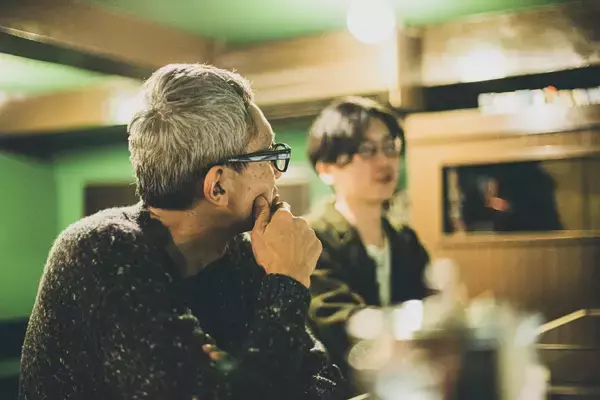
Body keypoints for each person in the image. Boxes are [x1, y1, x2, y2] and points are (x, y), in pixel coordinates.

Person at [19, 64, 346, 400]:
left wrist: (239, 374)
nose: (277, 173)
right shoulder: (99, 252)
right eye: (268, 155)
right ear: (218, 186)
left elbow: (323, 383)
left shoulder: (242, 253)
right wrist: (288, 283)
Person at [305, 97, 432, 377]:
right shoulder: (310, 239)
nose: (384, 161)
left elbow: (430, 306)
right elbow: (337, 320)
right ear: (326, 168)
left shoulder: (404, 240)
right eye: (366, 150)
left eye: (390, 147)